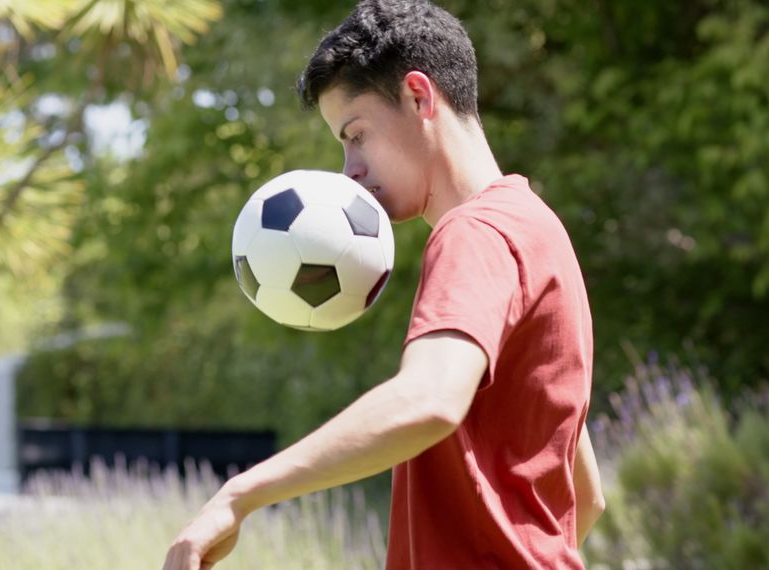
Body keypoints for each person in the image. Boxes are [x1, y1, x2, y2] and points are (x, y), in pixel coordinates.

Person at [163, 1, 604, 568]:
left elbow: (429, 399)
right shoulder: (537, 227)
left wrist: (239, 495)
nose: (350, 168)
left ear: (419, 96)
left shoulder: (473, 233)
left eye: (356, 134)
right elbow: (585, 497)